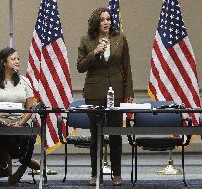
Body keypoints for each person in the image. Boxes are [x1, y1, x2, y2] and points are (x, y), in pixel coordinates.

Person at [77, 7, 134, 186]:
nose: (106, 22)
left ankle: (116, 173)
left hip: (116, 91)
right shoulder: (87, 40)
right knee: (96, 136)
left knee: (116, 135)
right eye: (102, 19)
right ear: (96, 22)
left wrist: (129, 93)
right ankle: (95, 173)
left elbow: (127, 68)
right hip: (94, 93)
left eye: (108, 19)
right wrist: (94, 53)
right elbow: (80, 67)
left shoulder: (120, 38)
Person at [0, 47, 40, 185]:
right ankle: (25, 160)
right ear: (3, 62)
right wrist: (3, 122)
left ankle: (21, 169)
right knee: (5, 135)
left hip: (18, 122)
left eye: (18, 58)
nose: (17, 61)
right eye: (13, 59)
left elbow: (29, 108)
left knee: (30, 136)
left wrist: (20, 123)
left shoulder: (24, 81)